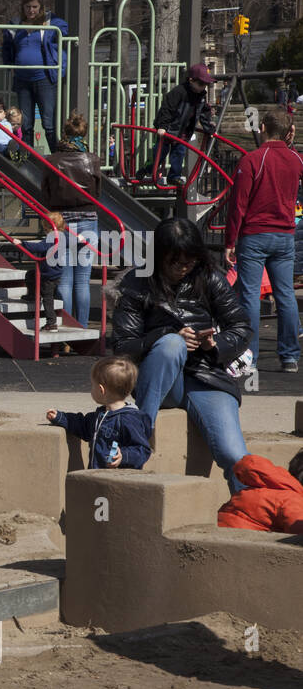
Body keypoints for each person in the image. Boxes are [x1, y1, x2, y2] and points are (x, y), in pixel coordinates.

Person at [113, 217, 252, 493]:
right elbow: (122, 346)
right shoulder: (136, 282)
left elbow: (241, 327)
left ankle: (248, 510)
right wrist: (164, 336)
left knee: (235, 455)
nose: (183, 268)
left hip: (206, 376)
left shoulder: (209, 277)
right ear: (158, 257)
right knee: (172, 345)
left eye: (190, 261)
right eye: (175, 262)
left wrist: (214, 345)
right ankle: (139, 437)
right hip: (160, 378)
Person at [223, 106, 303, 374]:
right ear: (288, 131)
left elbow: (238, 205)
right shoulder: (295, 160)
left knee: (249, 296)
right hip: (284, 235)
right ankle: (289, 356)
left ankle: (249, 357)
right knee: (285, 296)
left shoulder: (253, 160)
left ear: (263, 128)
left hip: (255, 235)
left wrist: (229, 241)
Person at [44, 110, 104, 327]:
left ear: (64, 133)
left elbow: (46, 192)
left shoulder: (52, 160)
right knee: (83, 282)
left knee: (65, 281)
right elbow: (97, 193)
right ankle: (84, 327)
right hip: (88, 220)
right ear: (84, 134)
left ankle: (67, 328)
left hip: (61, 221)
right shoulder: (92, 159)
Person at [45, 356, 153, 470]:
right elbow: (82, 425)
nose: (91, 389)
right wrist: (60, 417)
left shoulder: (129, 420)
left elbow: (142, 449)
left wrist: (124, 456)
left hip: (119, 481)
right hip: (97, 477)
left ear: (101, 390)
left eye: (92, 385)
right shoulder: (100, 415)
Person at [1, 0, 69, 154]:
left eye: (35, 7)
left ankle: (56, 157)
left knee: (48, 123)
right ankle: (28, 159)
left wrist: (49, 21)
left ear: (41, 7)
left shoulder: (49, 22)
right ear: (22, 8)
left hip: (44, 78)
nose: (31, 10)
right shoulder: (17, 23)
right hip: (23, 79)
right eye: (28, 7)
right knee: (26, 123)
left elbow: (64, 29)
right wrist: (9, 64)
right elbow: (6, 44)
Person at [149, 65, 216, 187]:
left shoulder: (200, 96)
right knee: (160, 152)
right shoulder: (179, 92)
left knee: (179, 153)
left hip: (183, 132)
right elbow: (167, 109)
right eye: (201, 83)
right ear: (191, 80)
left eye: (205, 84)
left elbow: (203, 112)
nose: (203, 87)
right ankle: (147, 170)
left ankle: (174, 176)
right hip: (169, 128)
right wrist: (162, 126)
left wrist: (208, 128)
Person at [216, 450, 303, 534]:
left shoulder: (264, 488)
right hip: (244, 544)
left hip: (223, 536)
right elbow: (298, 532)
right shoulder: (292, 500)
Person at [18, 210, 67, 332]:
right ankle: (32, 295)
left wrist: (21, 243)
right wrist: (79, 239)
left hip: (48, 275)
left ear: (47, 227)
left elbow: (39, 247)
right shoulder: (62, 236)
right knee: (30, 275)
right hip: (55, 272)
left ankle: (52, 323)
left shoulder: (51, 238)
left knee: (47, 298)